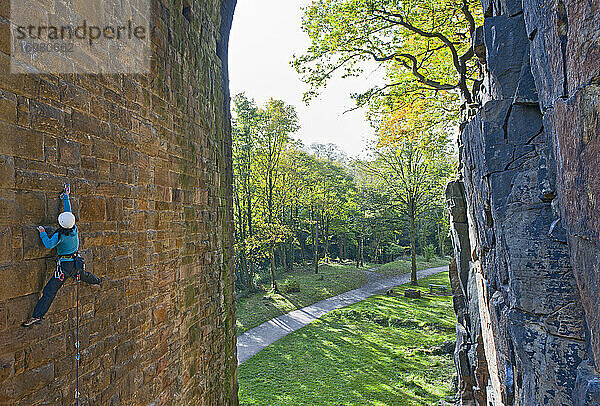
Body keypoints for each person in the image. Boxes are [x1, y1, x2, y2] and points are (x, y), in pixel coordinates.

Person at [22, 184, 101, 327]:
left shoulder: (60, 235)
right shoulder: (74, 229)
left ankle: (37, 316)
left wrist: (42, 232)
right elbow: (68, 212)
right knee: (84, 275)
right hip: (76, 263)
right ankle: (97, 281)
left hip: (64, 268)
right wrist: (66, 196)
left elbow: (49, 245)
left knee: (49, 291)